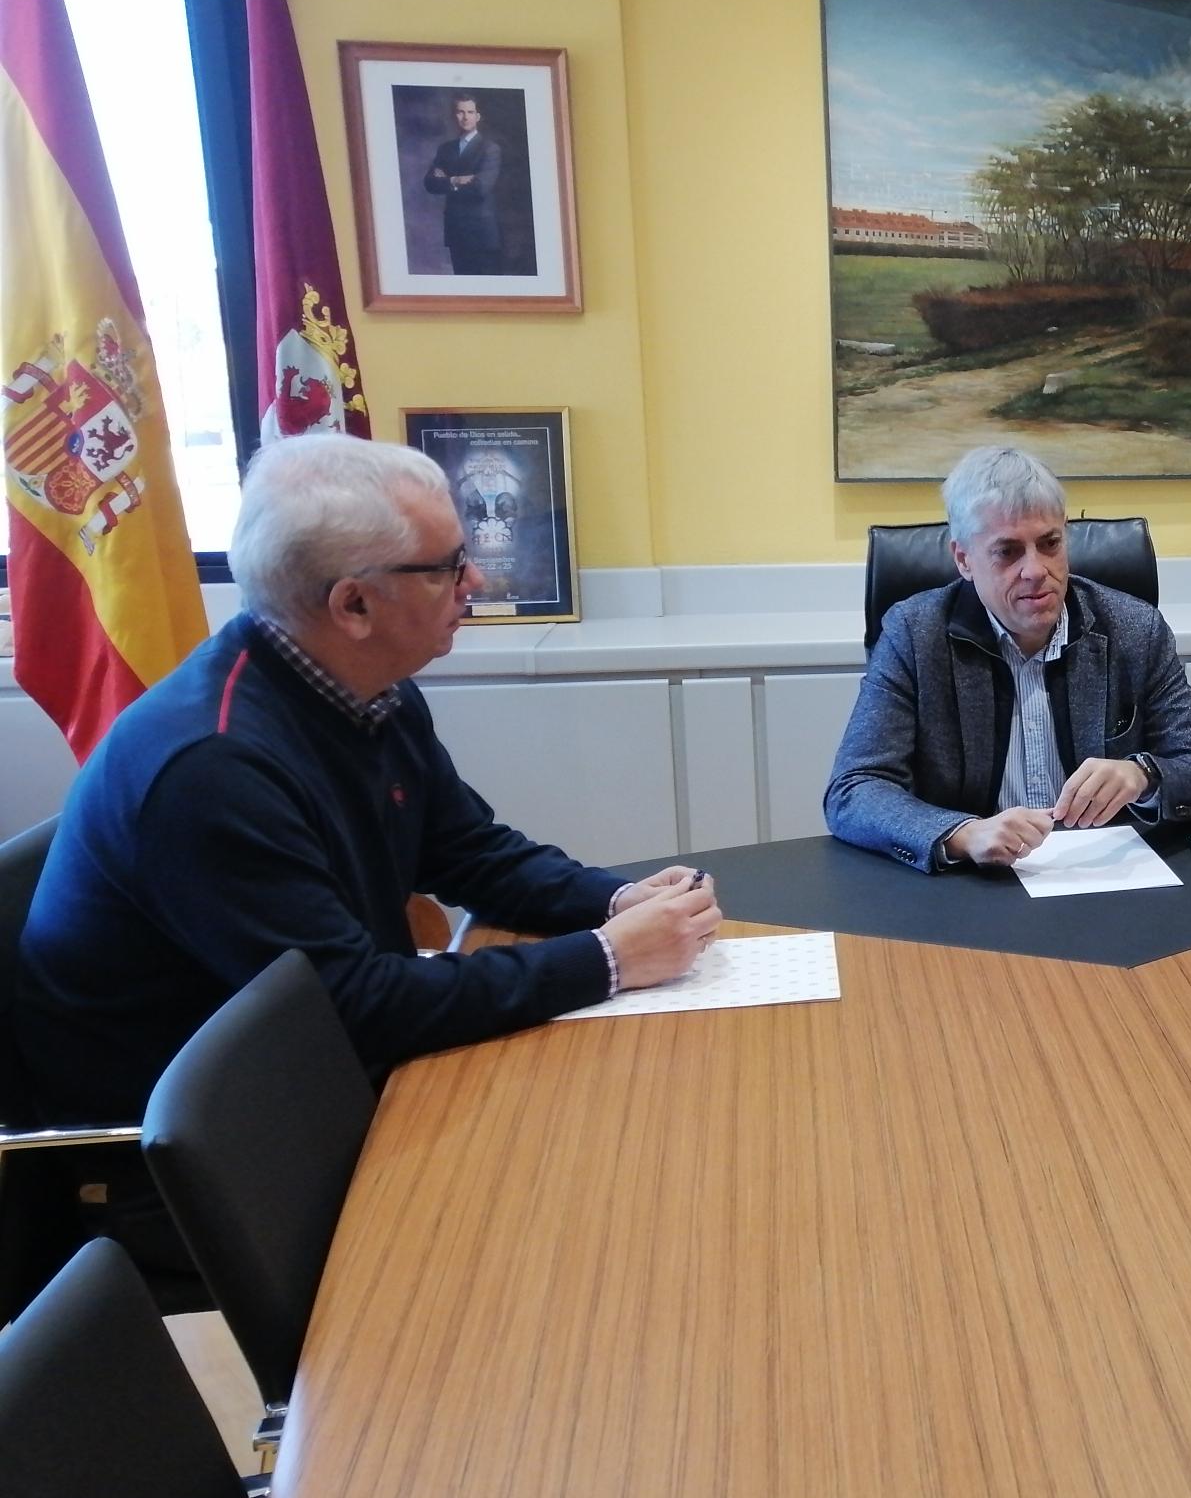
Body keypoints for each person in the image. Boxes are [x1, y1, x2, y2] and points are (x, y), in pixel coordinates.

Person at [13, 435, 720, 1252]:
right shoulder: (213, 768)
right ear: (353, 605)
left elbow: (468, 851)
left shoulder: (360, 686)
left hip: (308, 1074)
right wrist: (606, 958)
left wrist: (616, 900)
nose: (476, 582)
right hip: (203, 1153)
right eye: (448, 566)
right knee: (587, 1201)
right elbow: (355, 1008)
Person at [824, 445, 1191, 871]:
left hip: (1103, 877)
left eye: (1049, 543)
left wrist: (1143, 776)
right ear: (964, 559)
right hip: (973, 886)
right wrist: (963, 834)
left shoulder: (1133, 628)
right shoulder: (914, 634)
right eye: (1008, 551)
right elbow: (854, 790)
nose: (1036, 570)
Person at [421, 91, 502, 274]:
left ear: (478, 116)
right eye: (460, 112)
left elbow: (481, 188)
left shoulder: (490, 149)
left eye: (470, 112)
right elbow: (429, 183)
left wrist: (446, 181)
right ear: (454, 115)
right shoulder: (446, 149)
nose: (465, 117)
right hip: (456, 230)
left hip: (481, 233)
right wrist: (456, 180)